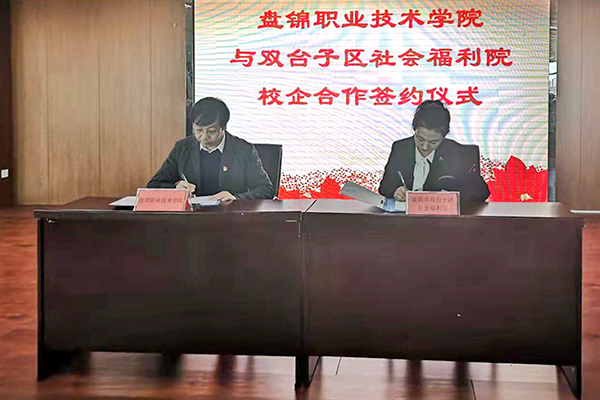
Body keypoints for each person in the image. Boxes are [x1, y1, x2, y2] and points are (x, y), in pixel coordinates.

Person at [148, 97, 275, 201]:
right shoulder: (182, 148)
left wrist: (237, 198)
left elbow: (266, 189)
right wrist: (176, 188)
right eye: (198, 130)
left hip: (231, 217)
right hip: (191, 218)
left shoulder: (244, 150)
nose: (204, 136)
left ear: (223, 128)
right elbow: (154, 185)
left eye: (211, 131)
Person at [378, 100, 490, 202]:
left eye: (433, 142)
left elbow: (481, 193)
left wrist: (453, 196)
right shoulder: (400, 148)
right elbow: (384, 186)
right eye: (420, 139)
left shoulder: (458, 154)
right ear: (414, 130)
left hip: (442, 217)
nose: (425, 147)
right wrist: (396, 191)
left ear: (444, 137)